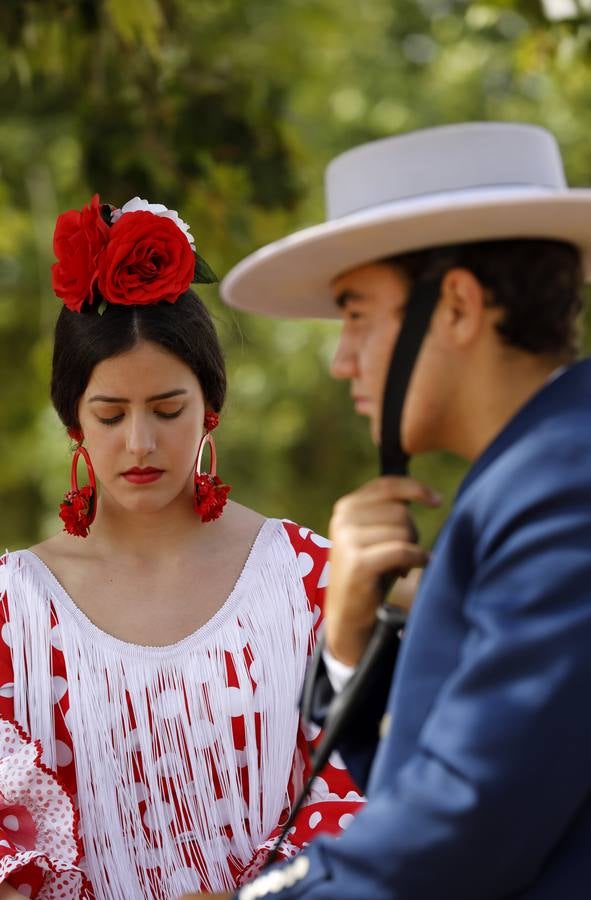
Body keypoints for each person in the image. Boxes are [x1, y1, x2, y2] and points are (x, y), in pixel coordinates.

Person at [193, 122, 591, 898]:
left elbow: (465, 829)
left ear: (456, 306)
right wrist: (347, 644)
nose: (342, 358)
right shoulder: (535, 468)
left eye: (354, 313)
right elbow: (429, 779)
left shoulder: (560, 480)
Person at [0, 196, 364, 899]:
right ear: (73, 420)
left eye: (168, 411)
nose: (140, 443)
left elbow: (370, 789)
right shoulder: (13, 612)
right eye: (110, 414)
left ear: (211, 408)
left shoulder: (309, 578)